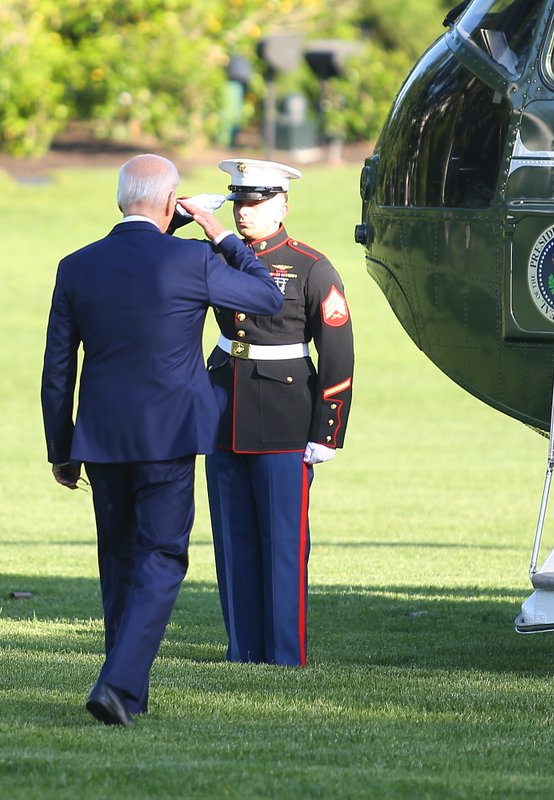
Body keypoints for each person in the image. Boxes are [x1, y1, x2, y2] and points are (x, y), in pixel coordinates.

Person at [41, 154, 283, 726]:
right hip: (169, 437)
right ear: (172, 201)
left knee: (119, 562)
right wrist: (217, 230)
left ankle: (126, 691)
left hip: (99, 439)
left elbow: (57, 368)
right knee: (163, 556)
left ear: (119, 198)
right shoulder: (193, 258)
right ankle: (119, 686)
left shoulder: (76, 266)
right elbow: (267, 297)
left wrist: (60, 448)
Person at [205, 158, 354, 667]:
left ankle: (285, 654)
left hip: (286, 418)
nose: (245, 213)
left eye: (257, 202)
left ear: (282, 206)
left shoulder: (312, 267)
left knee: (283, 545)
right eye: (239, 202)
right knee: (232, 541)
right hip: (225, 410)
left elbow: (337, 353)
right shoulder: (218, 256)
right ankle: (241, 650)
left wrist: (327, 432)